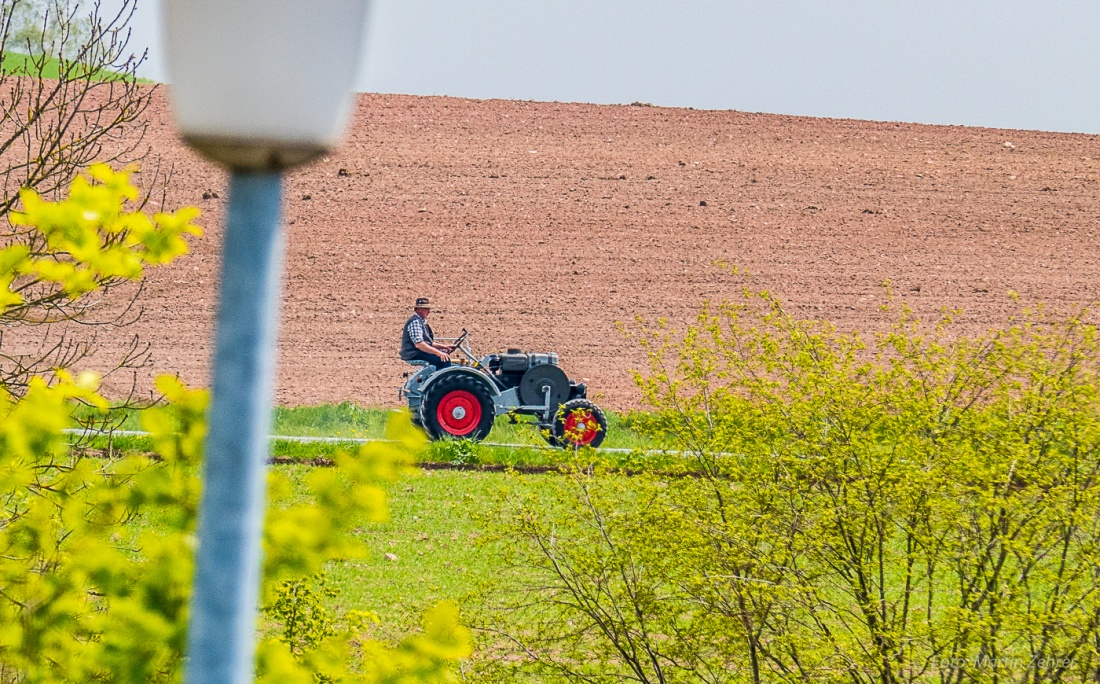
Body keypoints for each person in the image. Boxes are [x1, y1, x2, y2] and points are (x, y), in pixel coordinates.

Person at [400, 297, 453, 369]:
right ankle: (444, 379)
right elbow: (419, 344)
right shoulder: (415, 322)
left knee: (444, 355)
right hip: (414, 353)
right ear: (418, 310)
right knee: (443, 360)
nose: (428, 311)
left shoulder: (421, 322)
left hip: (417, 352)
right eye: (426, 309)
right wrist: (438, 353)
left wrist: (444, 347)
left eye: (428, 309)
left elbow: (428, 343)